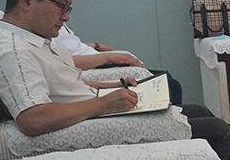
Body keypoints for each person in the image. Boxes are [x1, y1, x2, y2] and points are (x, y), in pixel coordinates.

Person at [0, 0, 230, 160]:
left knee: (199, 111)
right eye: (61, 6)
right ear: (27, 0)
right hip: (90, 121)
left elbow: (66, 84)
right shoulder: (12, 50)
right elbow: (33, 119)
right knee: (218, 131)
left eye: (68, 9)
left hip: (92, 110)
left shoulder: (32, 39)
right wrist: (104, 104)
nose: (66, 17)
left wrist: (116, 86)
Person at [55, 23, 184, 104]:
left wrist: (95, 45)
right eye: (62, 6)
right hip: (90, 66)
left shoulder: (53, 26)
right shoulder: (44, 39)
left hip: (93, 58)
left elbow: (69, 45)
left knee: (166, 78)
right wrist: (109, 57)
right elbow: (61, 61)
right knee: (171, 85)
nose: (66, 17)